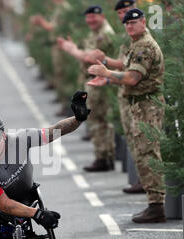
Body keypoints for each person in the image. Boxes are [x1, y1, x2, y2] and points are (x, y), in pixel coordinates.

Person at [0, 91, 90, 239]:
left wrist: (78, 119)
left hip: (29, 194)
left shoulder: (21, 139)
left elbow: (54, 131)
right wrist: (37, 214)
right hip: (4, 207)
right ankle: (8, 228)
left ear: (4, 135)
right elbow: (3, 203)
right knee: (5, 212)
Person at [87, 9, 166, 223]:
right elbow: (127, 67)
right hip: (140, 105)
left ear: (143, 22)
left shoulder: (145, 46)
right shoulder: (137, 44)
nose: (129, 26)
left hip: (147, 105)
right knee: (142, 152)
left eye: (133, 22)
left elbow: (132, 78)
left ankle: (157, 205)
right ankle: (153, 203)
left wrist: (107, 73)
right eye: (126, 23)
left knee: (148, 153)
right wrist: (109, 77)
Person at [87, 0, 145, 193]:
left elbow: (133, 75)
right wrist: (106, 64)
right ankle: (142, 182)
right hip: (126, 93)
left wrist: (108, 75)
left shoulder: (142, 42)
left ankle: (149, 188)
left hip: (139, 97)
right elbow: (123, 63)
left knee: (142, 141)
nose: (124, 18)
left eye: (128, 12)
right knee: (132, 138)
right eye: (121, 14)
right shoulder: (129, 38)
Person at [57, 5, 115, 172]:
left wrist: (71, 49)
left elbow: (88, 58)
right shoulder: (95, 33)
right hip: (93, 81)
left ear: (102, 16)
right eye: (88, 17)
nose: (90, 20)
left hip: (99, 82)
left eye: (93, 17)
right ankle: (103, 156)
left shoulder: (104, 34)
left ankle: (103, 156)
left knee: (99, 119)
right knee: (98, 119)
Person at [29, 0, 71, 115]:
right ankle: (64, 103)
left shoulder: (63, 8)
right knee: (59, 75)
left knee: (63, 76)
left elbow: (54, 28)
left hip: (61, 47)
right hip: (57, 46)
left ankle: (67, 105)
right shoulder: (58, 8)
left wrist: (40, 21)